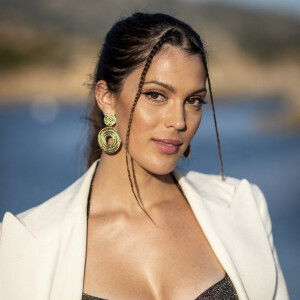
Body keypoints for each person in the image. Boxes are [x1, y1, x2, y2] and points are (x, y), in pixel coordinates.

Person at [0, 12, 289, 300]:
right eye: (156, 95)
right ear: (107, 98)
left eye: (193, 100)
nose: (179, 121)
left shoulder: (243, 208)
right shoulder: (28, 244)